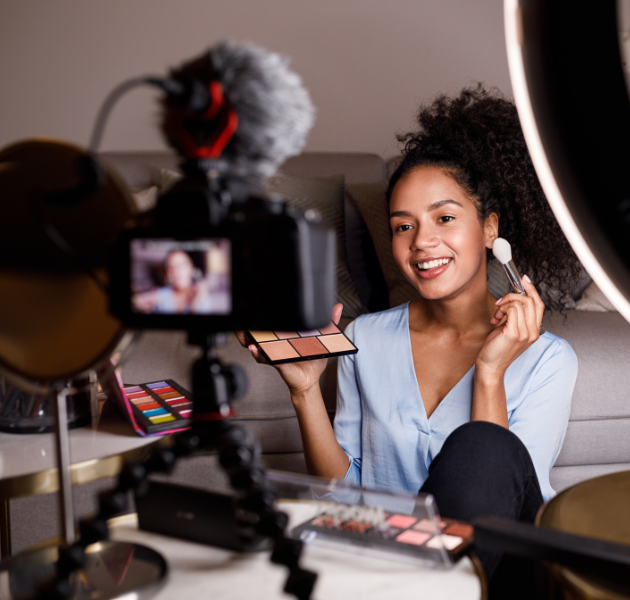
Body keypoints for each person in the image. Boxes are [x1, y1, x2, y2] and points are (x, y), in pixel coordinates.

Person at [237, 85, 584, 585]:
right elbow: (343, 493)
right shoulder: (366, 340)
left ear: (490, 230)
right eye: (403, 227)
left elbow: (497, 499)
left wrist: (491, 371)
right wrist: (305, 390)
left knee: (482, 449)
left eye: (444, 218)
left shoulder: (549, 360)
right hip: (389, 572)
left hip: (504, 576)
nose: (422, 242)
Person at [133, 249, 211, 314]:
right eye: (170, 267)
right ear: (167, 274)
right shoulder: (159, 294)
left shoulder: (202, 297)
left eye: (180, 265)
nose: (175, 271)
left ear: (192, 268)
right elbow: (137, 300)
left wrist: (195, 305)